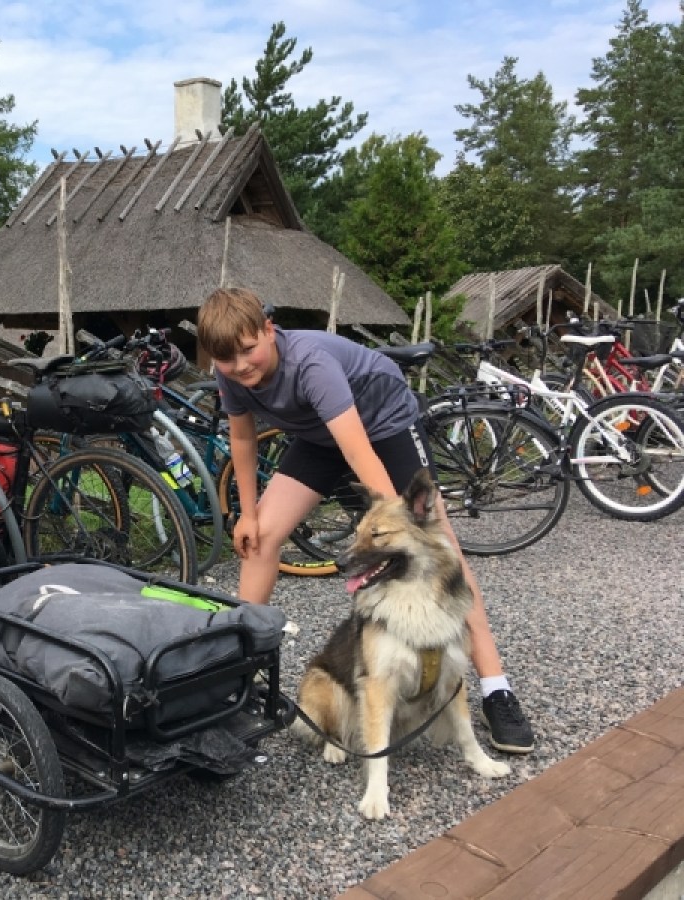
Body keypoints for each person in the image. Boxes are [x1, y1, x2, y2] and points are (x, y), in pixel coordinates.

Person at [196, 286, 535, 754]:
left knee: (441, 548)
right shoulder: (230, 368)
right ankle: (231, 677)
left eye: (248, 351)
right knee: (262, 539)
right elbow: (242, 439)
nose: (241, 367)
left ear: (267, 331)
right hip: (320, 437)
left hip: (385, 425)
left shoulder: (310, 364)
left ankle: (497, 689)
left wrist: (397, 522)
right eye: (227, 360)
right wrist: (248, 514)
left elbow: (358, 451)